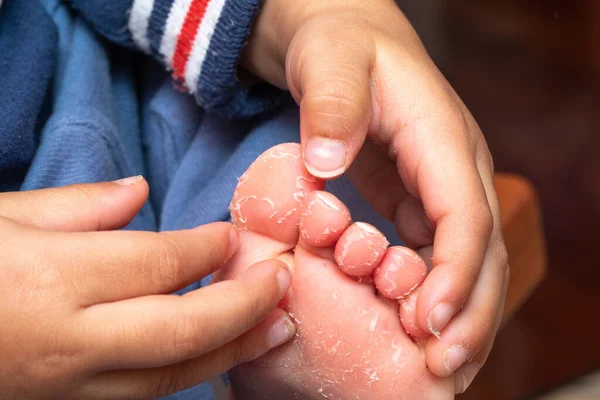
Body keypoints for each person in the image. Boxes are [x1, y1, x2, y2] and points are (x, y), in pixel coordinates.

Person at [0, 0, 509, 398]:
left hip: (74, 78)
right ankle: (271, 335)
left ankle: (276, 324)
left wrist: (309, 13)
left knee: (316, 138)